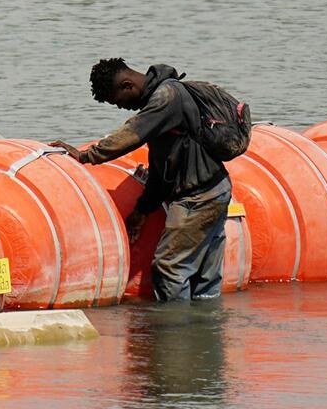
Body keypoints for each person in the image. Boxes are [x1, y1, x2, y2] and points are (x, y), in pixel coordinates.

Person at [51, 59, 232, 302]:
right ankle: (204, 333)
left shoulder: (165, 99)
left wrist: (86, 155)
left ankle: (175, 334)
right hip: (215, 189)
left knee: (169, 269)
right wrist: (143, 209)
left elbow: (130, 134)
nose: (122, 108)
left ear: (127, 86)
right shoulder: (167, 99)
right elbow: (161, 169)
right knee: (204, 278)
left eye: (119, 102)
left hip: (197, 199)